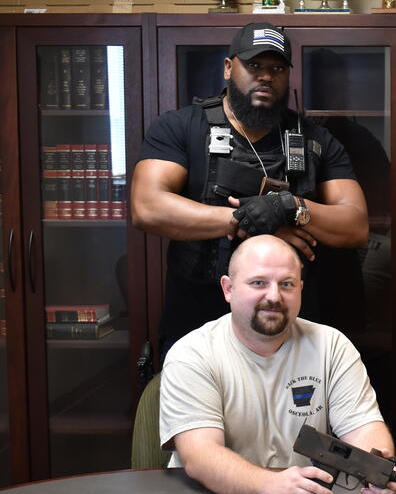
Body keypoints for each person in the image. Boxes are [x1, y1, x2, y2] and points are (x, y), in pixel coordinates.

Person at [132, 22, 368, 356]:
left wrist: (288, 207)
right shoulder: (181, 128)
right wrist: (245, 220)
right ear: (229, 68)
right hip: (196, 325)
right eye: (254, 65)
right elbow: (147, 207)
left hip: (293, 334)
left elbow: (355, 224)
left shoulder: (316, 139)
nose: (266, 77)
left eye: (276, 68)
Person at [159, 235, 396, 494]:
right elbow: (201, 455)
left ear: (300, 288)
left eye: (286, 284)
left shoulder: (332, 345)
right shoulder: (192, 353)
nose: (274, 296)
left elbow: (364, 427)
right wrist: (270, 485)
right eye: (258, 283)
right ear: (228, 289)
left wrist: (379, 468)